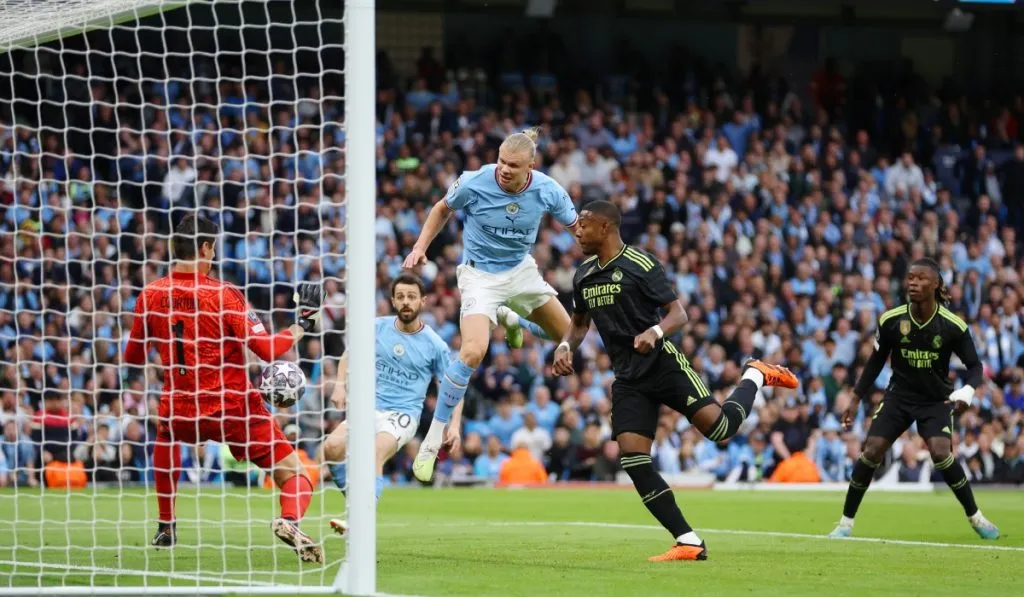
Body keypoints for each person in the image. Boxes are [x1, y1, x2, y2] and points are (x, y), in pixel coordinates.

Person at [553, 200, 798, 562]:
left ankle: (755, 373)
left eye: (584, 224)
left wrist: (654, 331)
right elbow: (578, 324)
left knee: (721, 430)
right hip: (628, 377)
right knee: (633, 458)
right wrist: (564, 345)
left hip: (662, 364)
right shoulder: (583, 275)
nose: (577, 231)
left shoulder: (641, 264)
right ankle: (688, 540)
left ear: (605, 228)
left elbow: (678, 314)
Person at [123, 214, 325, 563]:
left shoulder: (151, 294)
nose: (214, 254)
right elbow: (266, 350)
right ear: (205, 247)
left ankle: (166, 525)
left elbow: (133, 357)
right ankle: (289, 520)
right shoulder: (224, 294)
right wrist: (301, 325)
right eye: (213, 247)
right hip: (233, 409)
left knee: (166, 433)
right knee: (298, 475)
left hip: (181, 406)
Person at [402, 128, 579, 482]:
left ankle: (513, 318)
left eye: (513, 165)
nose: (504, 169)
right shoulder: (475, 181)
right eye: (501, 161)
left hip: (520, 272)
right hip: (479, 276)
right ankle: (432, 440)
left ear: (530, 167)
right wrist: (420, 246)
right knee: (472, 352)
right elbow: (442, 208)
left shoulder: (548, 190)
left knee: (569, 336)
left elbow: (579, 229)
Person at [828, 258, 999, 540]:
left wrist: (968, 390)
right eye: (910, 278)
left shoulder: (952, 325)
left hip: (935, 400)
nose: (913, 283)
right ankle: (845, 524)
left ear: (936, 285)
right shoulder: (891, 320)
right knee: (871, 450)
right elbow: (875, 362)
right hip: (898, 397)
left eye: (921, 279)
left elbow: (975, 366)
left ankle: (976, 518)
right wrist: (856, 397)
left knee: (941, 453)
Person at [323, 273, 460, 534]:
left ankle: (360, 518)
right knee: (331, 448)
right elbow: (349, 354)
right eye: (400, 297)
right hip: (367, 408)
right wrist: (340, 385)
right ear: (393, 301)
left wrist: (454, 425)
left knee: (374, 452)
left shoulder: (435, 345)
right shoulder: (378, 327)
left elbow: (453, 387)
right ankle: (357, 503)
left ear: (423, 301)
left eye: (411, 296)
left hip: (402, 414)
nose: (406, 301)